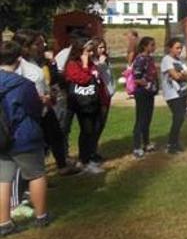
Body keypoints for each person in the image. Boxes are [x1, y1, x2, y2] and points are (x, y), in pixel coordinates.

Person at [0, 41, 51, 236]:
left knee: (3, 180)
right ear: (18, 59)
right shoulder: (23, 84)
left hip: (1, 137)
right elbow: (34, 109)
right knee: (36, 174)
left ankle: (4, 222)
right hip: (24, 135)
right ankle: (41, 216)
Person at [12, 30, 75, 176]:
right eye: (38, 43)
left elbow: (43, 81)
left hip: (44, 109)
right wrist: (38, 99)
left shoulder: (35, 61)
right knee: (31, 146)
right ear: (26, 46)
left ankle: (50, 171)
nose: (43, 45)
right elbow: (16, 90)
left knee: (54, 137)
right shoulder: (17, 65)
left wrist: (49, 93)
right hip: (29, 113)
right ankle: (28, 181)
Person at [64, 39, 109, 174]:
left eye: (91, 51)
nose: (90, 54)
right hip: (79, 103)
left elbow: (97, 81)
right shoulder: (72, 64)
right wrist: (84, 65)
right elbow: (83, 79)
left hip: (92, 101)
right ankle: (83, 161)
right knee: (86, 130)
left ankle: (87, 158)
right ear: (79, 51)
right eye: (87, 51)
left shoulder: (91, 63)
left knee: (90, 131)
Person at [161, 37, 187, 154]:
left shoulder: (180, 61)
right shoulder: (167, 60)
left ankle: (175, 142)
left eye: (181, 48)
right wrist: (183, 75)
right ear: (170, 48)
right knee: (178, 117)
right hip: (172, 94)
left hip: (183, 92)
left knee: (180, 119)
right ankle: (171, 144)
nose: (179, 50)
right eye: (177, 48)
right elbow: (176, 76)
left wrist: (183, 75)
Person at [131, 36, 159, 159]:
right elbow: (137, 78)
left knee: (148, 119)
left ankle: (146, 143)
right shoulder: (140, 59)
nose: (154, 47)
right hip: (142, 93)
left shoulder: (150, 58)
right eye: (151, 45)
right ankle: (137, 147)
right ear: (144, 46)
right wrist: (147, 85)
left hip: (150, 93)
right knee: (141, 119)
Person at [90, 38, 113, 163]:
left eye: (104, 47)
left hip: (106, 95)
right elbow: (95, 75)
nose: (103, 50)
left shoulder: (105, 60)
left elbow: (109, 77)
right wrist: (100, 64)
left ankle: (94, 150)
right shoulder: (93, 61)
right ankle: (90, 152)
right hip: (97, 96)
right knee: (96, 125)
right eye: (100, 47)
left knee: (101, 124)